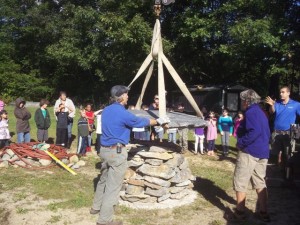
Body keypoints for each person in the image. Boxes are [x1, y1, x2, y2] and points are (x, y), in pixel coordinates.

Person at [90, 85, 169, 225]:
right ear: (121, 97)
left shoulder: (106, 110)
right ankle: (104, 220)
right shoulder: (123, 113)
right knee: (112, 186)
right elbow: (140, 121)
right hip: (117, 152)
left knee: (103, 179)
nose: (127, 97)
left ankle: (96, 207)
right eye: (126, 94)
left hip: (104, 150)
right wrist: (158, 121)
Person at [233, 89, 271, 222]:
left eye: (242, 100)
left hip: (250, 151)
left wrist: (241, 143)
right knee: (260, 182)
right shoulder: (260, 112)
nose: (241, 102)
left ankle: (240, 211)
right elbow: (265, 132)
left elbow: (254, 131)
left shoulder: (251, 112)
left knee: (241, 181)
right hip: (262, 152)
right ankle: (263, 212)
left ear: (247, 101)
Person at [265, 86, 300, 172]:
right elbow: (271, 112)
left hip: (289, 133)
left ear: (288, 93)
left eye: (283, 92)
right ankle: (274, 172)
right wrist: (272, 105)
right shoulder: (277, 103)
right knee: (274, 154)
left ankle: (287, 174)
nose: (281, 94)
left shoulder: (296, 104)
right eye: (280, 92)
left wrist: (297, 130)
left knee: (288, 154)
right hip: (276, 132)